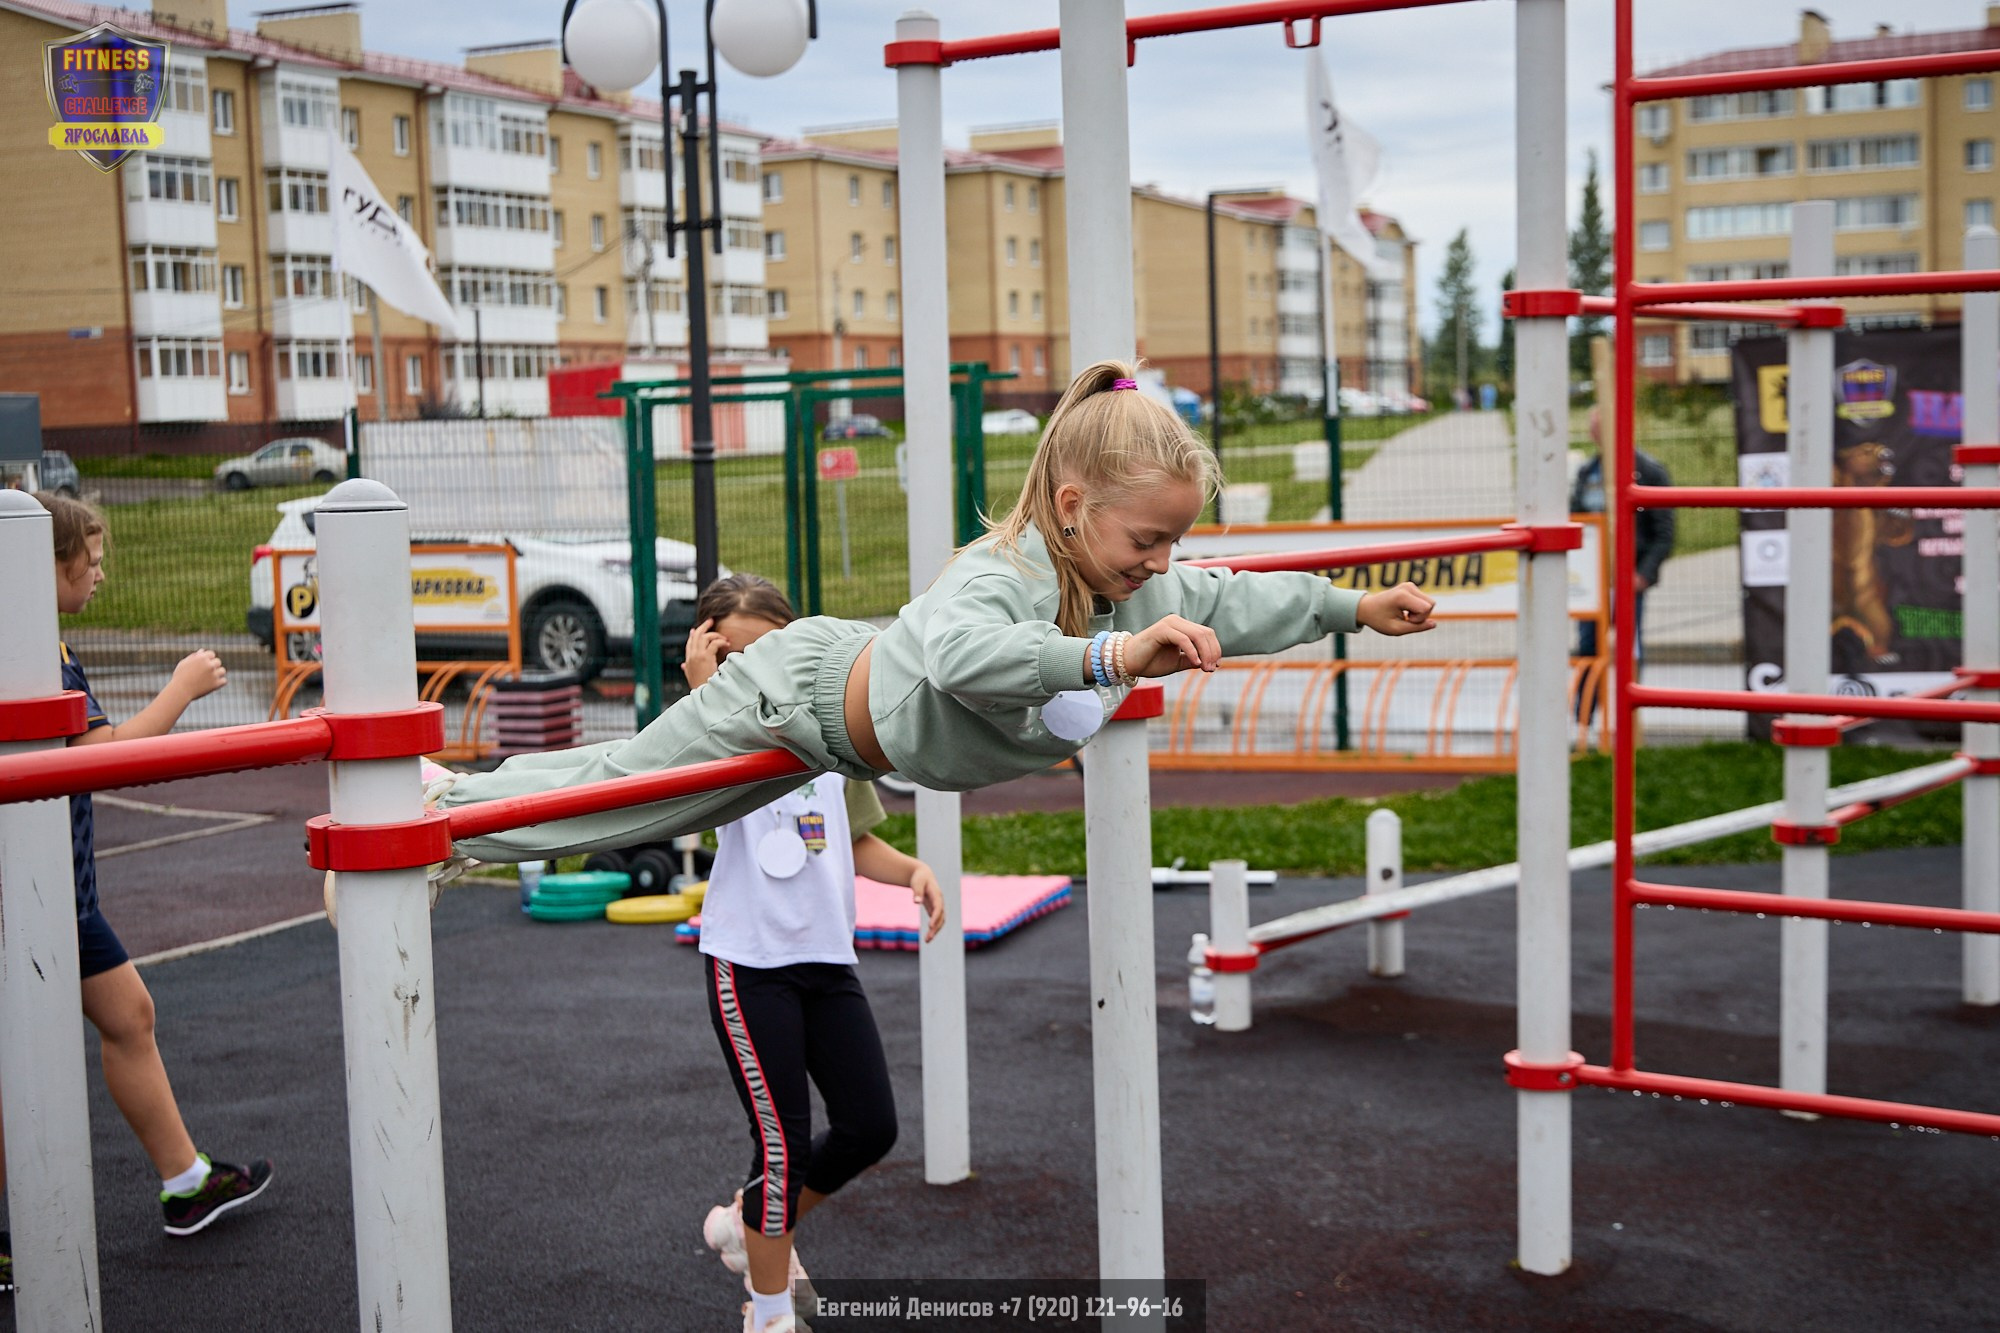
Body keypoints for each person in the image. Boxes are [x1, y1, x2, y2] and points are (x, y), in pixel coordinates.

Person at [429, 359, 1438, 861]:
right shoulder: (1005, 572)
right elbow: (961, 656)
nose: (1163, 564)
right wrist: (1111, 660)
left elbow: (1241, 599)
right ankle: (433, 826)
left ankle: (445, 808)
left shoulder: (1128, 581)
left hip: (836, 744)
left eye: (1173, 542)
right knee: (618, 797)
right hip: (794, 696)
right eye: (1147, 541)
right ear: (1073, 508)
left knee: (621, 798)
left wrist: (1356, 607)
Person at [1, 495, 273, 1295]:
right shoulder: (26, 654)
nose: (101, 570)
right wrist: (182, 689)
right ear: (45, 565)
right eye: (90, 557)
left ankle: (186, 1182)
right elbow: (99, 755)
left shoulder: (43, 644)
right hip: (23, 894)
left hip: (63, 893)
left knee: (131, 1015)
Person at [680, 575, 942, 1333]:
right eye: (736, 657)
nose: (756, 672)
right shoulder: (710, 733)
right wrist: (705, 691)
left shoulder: (827, 736)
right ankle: (768, 1314)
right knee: (782, 1142)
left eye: (773, 653)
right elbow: (687, 782)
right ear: (709, 656)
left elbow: (855, 837)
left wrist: (912, 870)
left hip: (826, 961)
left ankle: (747, 1221)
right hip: (749, 963)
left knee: (870, 1125)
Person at [1572, 405, 1675, 667]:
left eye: (1602, 429)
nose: (1597, 435)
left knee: (1630, 646)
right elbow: (1577, 519)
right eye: (1594, 429)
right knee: (1588, 647)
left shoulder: (1649, 472)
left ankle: (1631, 705)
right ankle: (1585, 707)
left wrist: (1643, 574)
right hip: (1595, 578)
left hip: (1629, 576)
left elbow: (1664, 532)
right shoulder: (1588, 472)